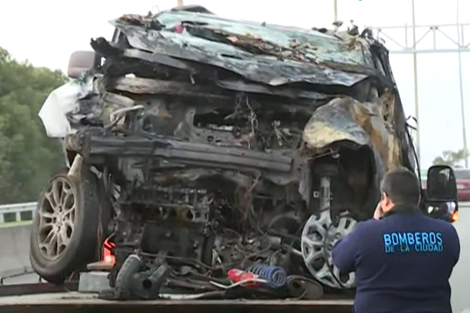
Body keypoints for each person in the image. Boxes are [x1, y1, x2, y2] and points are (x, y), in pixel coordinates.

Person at [332, 167, 460, 313]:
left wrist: (374, 222)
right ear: (418, 200)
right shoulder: (447, 234)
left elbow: (340, 260)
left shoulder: (366, 233)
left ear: (385, 199)